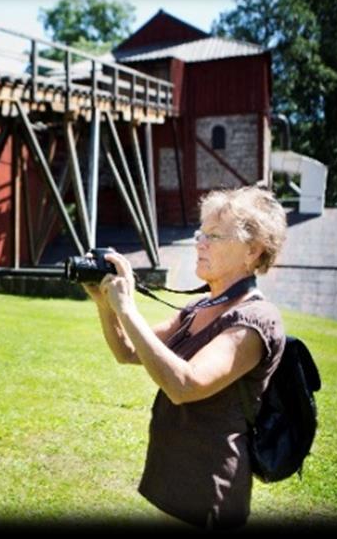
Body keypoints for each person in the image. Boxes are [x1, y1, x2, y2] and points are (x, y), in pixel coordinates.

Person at [83, 184, 288, 529]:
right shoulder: (199, 307)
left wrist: (128, 308)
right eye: (201, 233)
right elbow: (129, 352)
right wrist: (106, 306)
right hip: (175, 475)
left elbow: (185, 385)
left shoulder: (257, 320)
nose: (200, 243)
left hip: (209, 490)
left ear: (252, 251)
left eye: (215, 236)